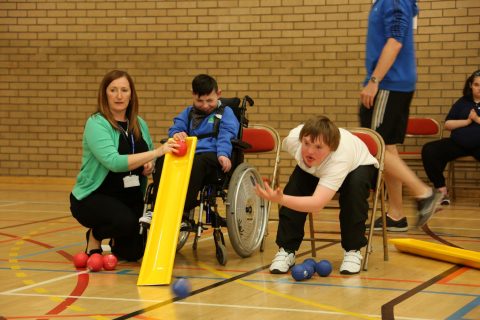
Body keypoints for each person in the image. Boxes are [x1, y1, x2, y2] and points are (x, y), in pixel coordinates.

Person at [70, 70, 178, 261]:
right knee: (125, 222)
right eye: (113, 90)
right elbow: (114, 162)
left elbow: (148, 156)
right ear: (105, 94)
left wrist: (150, 165)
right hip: (95, 196)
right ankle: (95, 235)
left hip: (130, 196)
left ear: (131, 94)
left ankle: (116, 239)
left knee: (133, 254)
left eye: (124, 90)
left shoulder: (139, 123)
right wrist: (158, 152)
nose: (119, 96)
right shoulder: (96, 123)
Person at [255, 115, 379, 275]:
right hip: (318, 168)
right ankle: (287, 250)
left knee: (354, 191)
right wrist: (285, 197)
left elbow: (317, 204)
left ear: (331, 148)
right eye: (306, 144)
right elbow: (306, 151)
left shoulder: (339, 158)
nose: (310, 151)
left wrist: (281, 199)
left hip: (358, 165)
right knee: (294, 187)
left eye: (318, 147)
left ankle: (353, 250)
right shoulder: (293, 140)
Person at [359, 0, 441, 232]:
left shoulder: (394, 0)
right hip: (392, 83)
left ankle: (424, 193)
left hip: (388, 83)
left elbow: (395, 42)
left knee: (376, 146)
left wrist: (374, 80)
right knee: (388, 149)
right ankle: (396, 214)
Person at [147, 74, 240, 225]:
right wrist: (176, 134)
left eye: (209, 100)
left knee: (197, 162)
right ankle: (157, 208)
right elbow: (176, 127)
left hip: (213, 156)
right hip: (188, 155)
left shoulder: (226, 113)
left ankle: (183, 212)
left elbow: (227, 135)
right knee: (164, 158)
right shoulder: (188, 112)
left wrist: (223, 154)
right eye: (199, 101)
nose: (204, 105)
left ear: (219, 94)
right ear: (193, 96)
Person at [422, 70, 480, 205]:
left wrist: (476, 118)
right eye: (476, 84)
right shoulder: (462, 102)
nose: (479, 88)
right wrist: (466, 122)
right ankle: (442, 191)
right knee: (430, 150)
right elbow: (448, 124)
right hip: (458, 143)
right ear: (471, 85)